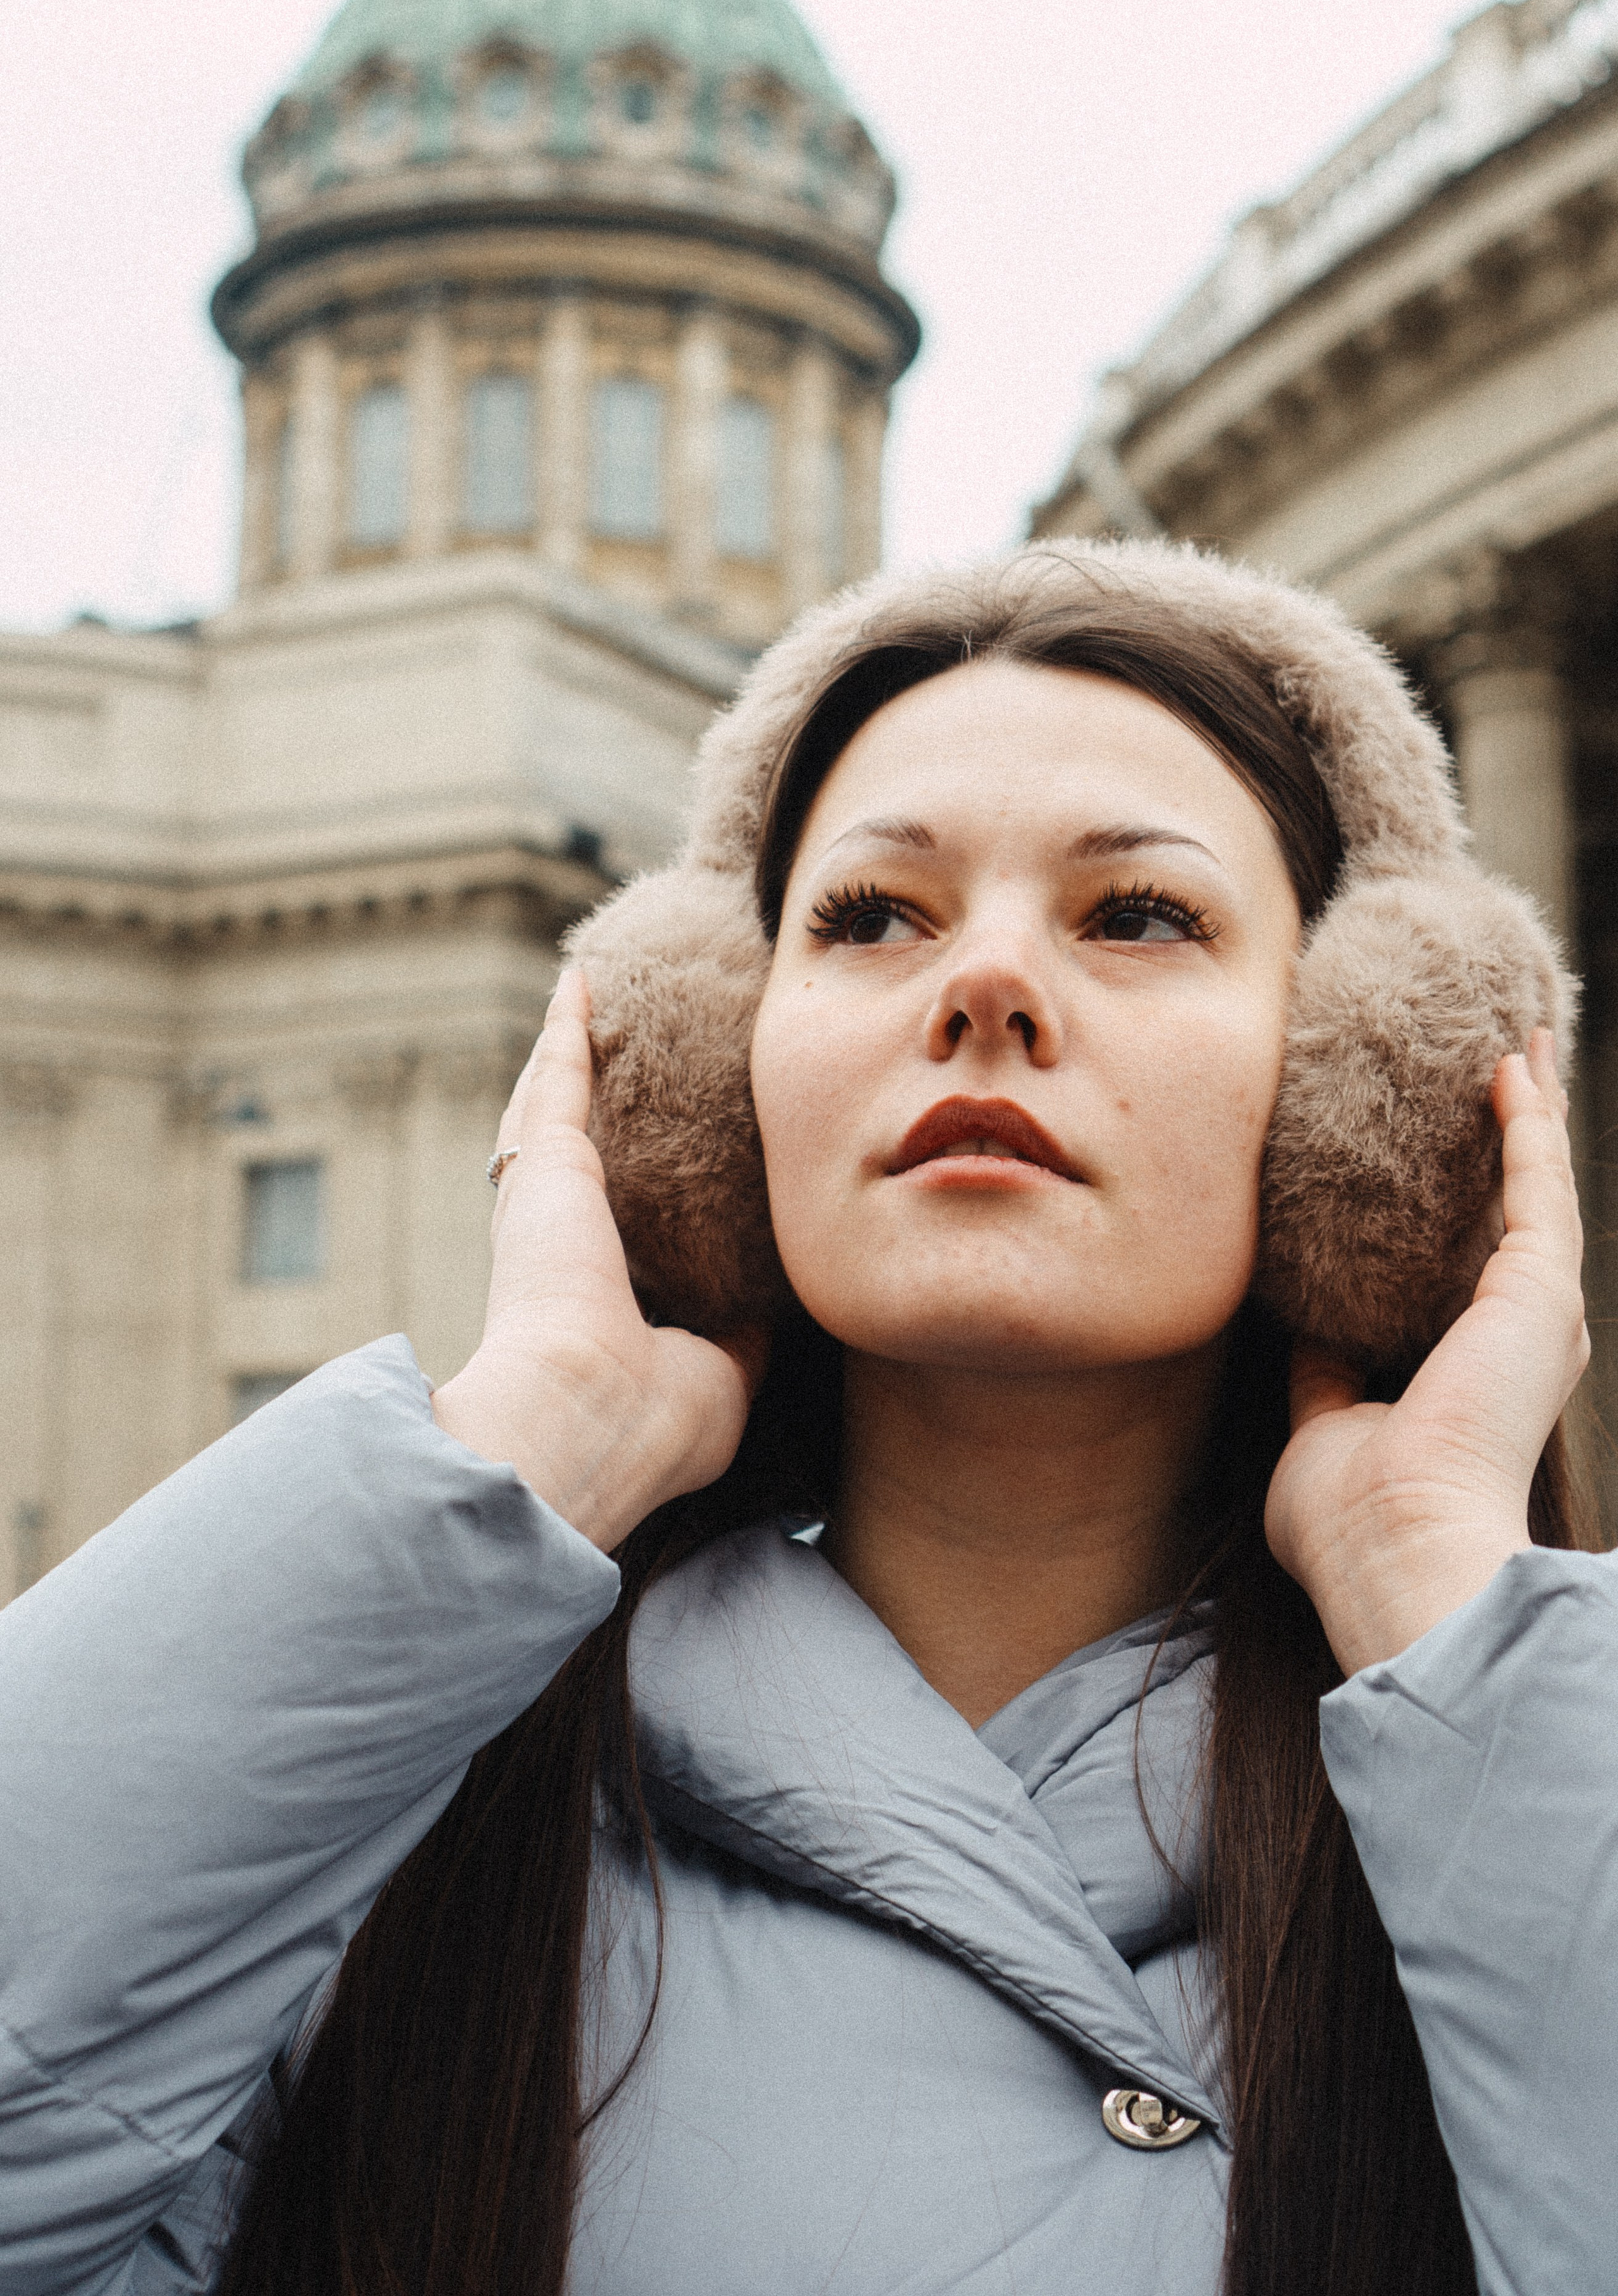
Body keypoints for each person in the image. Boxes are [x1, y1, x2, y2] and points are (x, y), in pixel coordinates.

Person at [0, 542, 1607, 2296]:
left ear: (1354, 1099)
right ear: (705, 1074)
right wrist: (537, 1431)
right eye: (873, 917)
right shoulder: (352, 1877)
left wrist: (1450, 1601)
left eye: (1136, 915)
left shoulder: (1507, 1812)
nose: (982, 988)